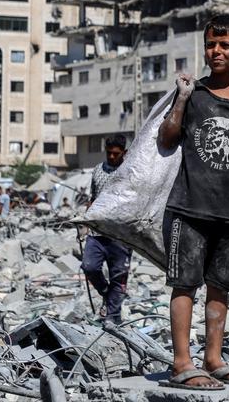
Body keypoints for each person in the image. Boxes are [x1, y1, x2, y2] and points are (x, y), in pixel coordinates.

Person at [157, 15, 229, 390]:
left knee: (221, 286)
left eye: (225, 45)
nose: (216, 51)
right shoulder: (194, 94)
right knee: (185, 285)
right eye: (211, 45)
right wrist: (181, 99)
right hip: (187, 208)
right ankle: (181, 363)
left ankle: (214, 358)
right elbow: (166, 138)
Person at [81, 134, 131, 324]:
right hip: (97, 232)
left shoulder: (130, 172)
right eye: (108, 153)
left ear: (124, 153)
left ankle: (113, 320)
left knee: (119, 277)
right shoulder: (98, 170)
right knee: (89, 266)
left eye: (115, 154)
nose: (111, 156)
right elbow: (92, 198)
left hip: (121, 236)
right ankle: (106, 293)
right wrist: (85, 222)